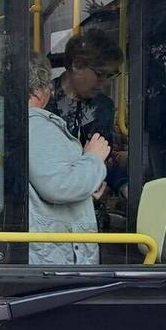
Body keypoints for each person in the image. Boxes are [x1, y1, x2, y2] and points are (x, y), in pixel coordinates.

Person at [26, 54, 111, 265]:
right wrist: (93, 158)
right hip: (54, 260)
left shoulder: (2, 125)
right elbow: (60, 185)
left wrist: (87, 187)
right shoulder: (36, 125)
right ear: (38, 91)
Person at [46, 31, 126, 204]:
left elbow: (106, 157)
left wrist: (121, 184)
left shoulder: (104, 106)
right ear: (76, 65)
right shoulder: (43, 101)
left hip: (90, 210)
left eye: (110, 76)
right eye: (99, 74)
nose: (104, 82)